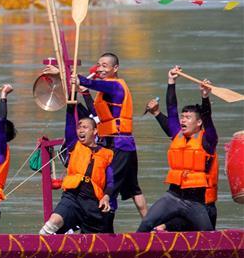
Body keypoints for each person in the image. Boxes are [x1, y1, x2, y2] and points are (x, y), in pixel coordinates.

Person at [137, 66, 218, 232]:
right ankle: (134, 253)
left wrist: (205, 96)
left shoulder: (208, 140)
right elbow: (172, 108)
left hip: (195, 202)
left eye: (188, 118)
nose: (183, 120)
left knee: (208, 236)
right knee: (146, 224)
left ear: (198, 122)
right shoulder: (177, 134)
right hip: (172, 196)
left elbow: (208, 118)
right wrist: (171, 82)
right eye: (183, 117)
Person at [75, 53, 148, 218]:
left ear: (115, 68)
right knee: (133, 188)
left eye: (105, 66)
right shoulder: (105, 90)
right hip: (120, 143)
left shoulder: (115, 86)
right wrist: (86, 94)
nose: (100, 69)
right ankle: (152, 225)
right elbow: (98, 117)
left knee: (109, 184)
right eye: (99, 65)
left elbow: (90, 82)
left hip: (119, 144)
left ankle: (105, 223)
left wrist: (73, 77)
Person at [40, 105, 115, 234]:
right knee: (52, 223)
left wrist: (106, 197)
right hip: (72, 197)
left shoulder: (106, 154)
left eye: (85, 127)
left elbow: (111, 182)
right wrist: (70, 106)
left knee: (98, 242)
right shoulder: (74, 145)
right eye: (79, 127)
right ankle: (39, 249)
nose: (81, 130)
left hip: (93, 203)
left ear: (95, 131)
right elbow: (69, 126)